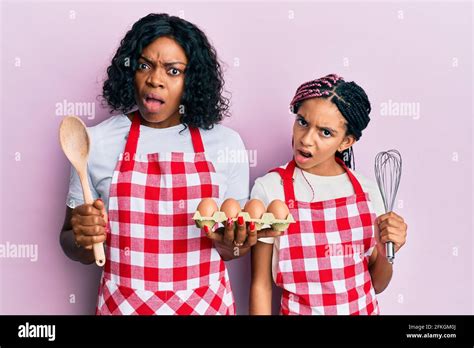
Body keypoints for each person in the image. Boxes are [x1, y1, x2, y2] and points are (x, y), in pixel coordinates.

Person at [60, 13, 259, 315]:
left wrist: (236, 243)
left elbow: (231, 252)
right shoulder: (95, 142)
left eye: (173, 71)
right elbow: (71, 244)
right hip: (124, 307)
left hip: (206, 306)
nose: (155, 79)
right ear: (130, 72)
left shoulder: (226, 144)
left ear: (192, 80)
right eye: (144, 66)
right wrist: (83, 238)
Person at [249, 74, 408, 315]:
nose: (306, 139)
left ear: (346, 142)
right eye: (302, 122)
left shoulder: (366, 191)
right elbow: (261, 285)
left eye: (325, 132)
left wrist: (389, 249)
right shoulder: (270, 188)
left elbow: (377, 283)